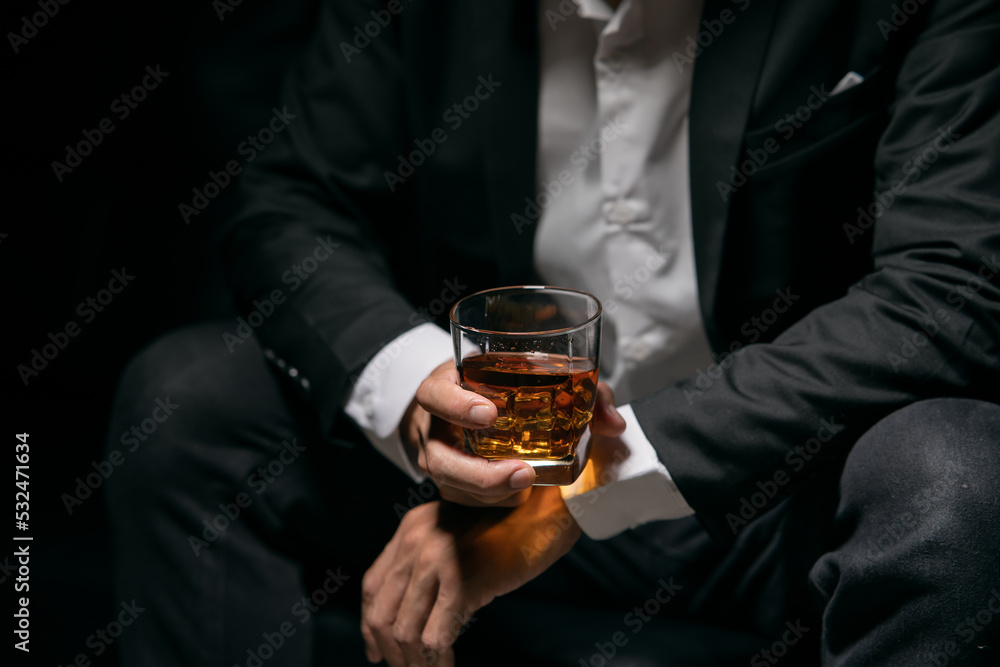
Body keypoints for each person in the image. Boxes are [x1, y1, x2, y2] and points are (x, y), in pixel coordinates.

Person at [106, 0, 1000, 665]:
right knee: (189, 402)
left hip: (775, 484)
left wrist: (586, 484)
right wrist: (421, 392)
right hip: (485, 460)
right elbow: (289, 201)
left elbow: (952, 285)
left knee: (959, 478)